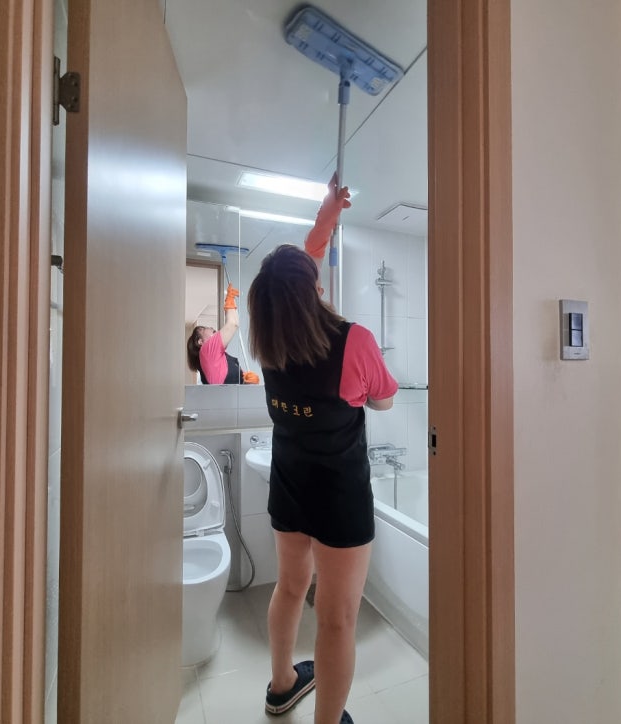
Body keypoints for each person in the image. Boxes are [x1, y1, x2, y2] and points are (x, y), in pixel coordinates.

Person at [247, 175, 397, 724]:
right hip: (338, 496)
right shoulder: (352, 341)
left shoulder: (270, 342)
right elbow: (384, 401)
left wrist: (326, 214)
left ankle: (282, 685)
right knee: (336, 618)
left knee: (290, 588)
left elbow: (301, 271)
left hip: (289, 484)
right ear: (310, 291)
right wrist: (361, 392)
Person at [186, 282, 260, 384]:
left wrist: (248, 383)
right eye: (204, 328)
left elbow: (234, 323)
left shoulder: (222, 359)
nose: (211, 327)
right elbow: (233, 324)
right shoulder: (206, 350)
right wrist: (229, 302)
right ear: (200, 341)